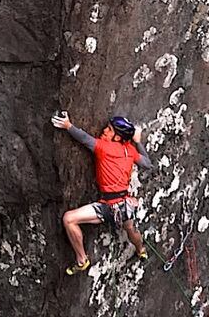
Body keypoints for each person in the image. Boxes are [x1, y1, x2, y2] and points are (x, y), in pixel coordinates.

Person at [51, 111, 153, 274]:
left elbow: (84, 139)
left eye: (110, 130)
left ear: (118, 137)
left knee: (69, 219)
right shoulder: (129, 151)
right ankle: (141, 250)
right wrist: (138, 142)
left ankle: (81, 260)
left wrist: (68, 126)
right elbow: (148, 164)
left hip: (107, 207)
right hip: (124, 205)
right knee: (130, 228)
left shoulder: (104, 148)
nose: (104, 130)